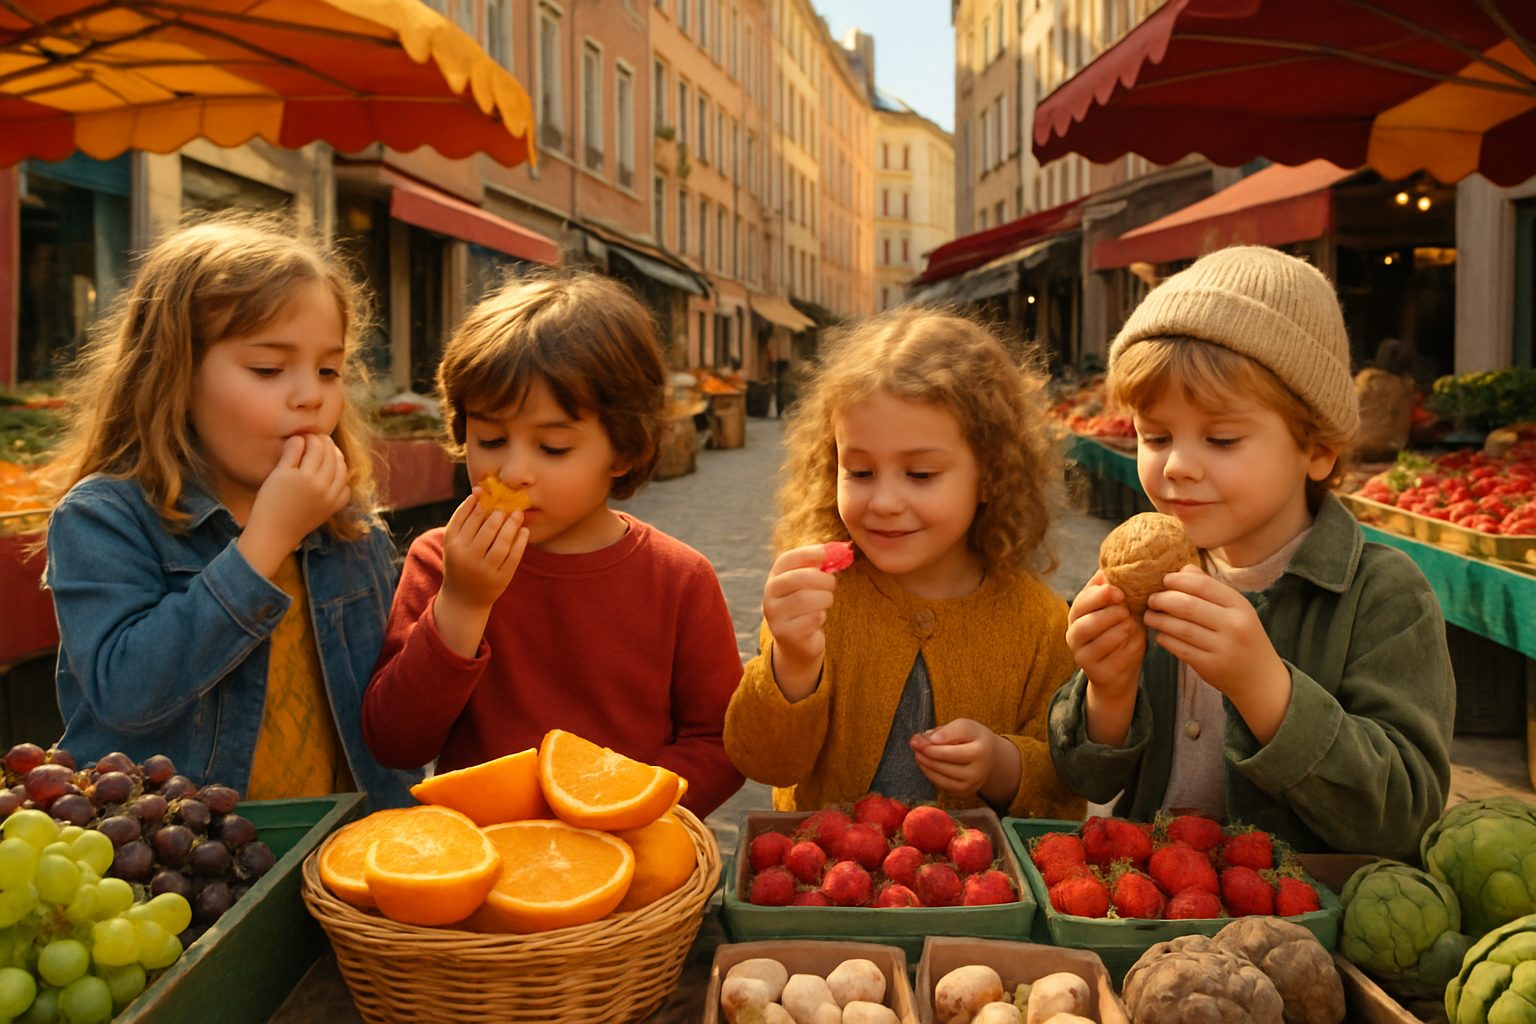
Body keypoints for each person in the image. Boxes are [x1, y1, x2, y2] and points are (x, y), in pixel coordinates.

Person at [1050, 246, 1454, 862]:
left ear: (1316, 450)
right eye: (1156, 436)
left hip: (1306, 928)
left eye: (1222, 437)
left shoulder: (1384, 595)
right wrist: (1107, 693)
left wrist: (1264, 688)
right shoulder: (1142, 580)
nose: (1179, 466)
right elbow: (1088, 780)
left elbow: (1402, 814)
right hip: (1152, 914)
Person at [42, 213, 418, 807]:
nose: (310, 393)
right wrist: (265, 541)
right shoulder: (104, 517)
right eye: (268, 368)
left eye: (328, 369)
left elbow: (388, 718)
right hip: (188, 870)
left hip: (337, 862)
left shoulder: (350, 527)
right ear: (174, 376)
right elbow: (129, 695)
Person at [363, 273, 744, 818]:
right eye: (491, 440)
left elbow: (718, 740)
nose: (514, 471)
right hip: (481, 864)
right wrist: (464, 604)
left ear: (624, 450)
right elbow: (396, 743)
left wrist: (633, 814)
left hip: (624, 867)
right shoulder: (441, 560)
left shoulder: (678, 578)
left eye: (554, 446)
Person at [724, 309, 1085, 819]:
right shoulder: (819, 600)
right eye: (861, 471)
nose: (885, 501)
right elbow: (763, 762)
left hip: (973, 897)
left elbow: (1064, 799)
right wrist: (793, 665)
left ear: (990, 476)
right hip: (823, 891)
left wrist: (1002, 765)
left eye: (919, 474)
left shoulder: (1042, 623)